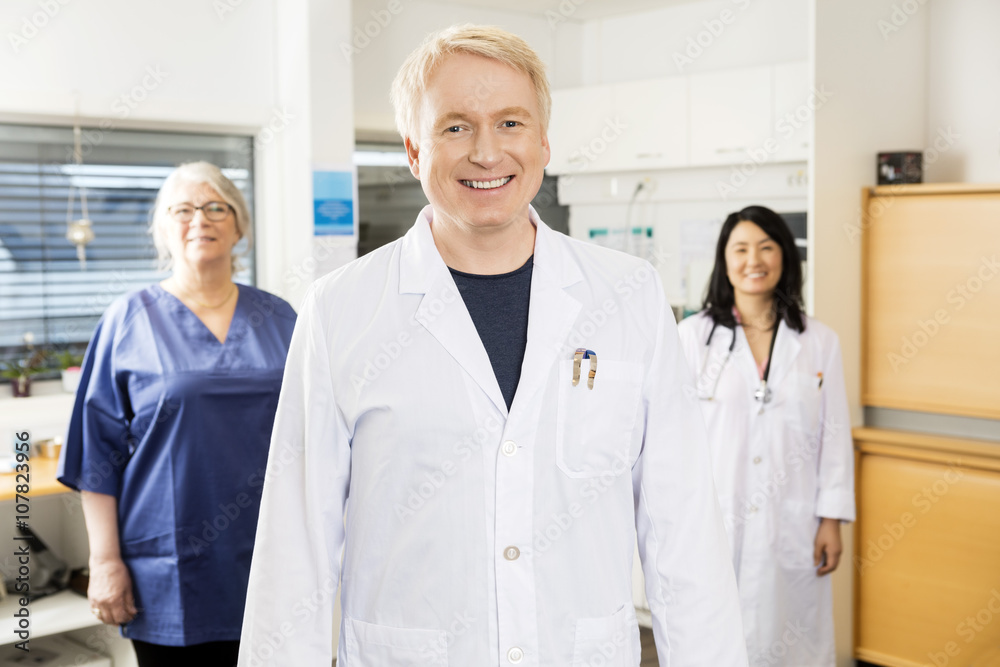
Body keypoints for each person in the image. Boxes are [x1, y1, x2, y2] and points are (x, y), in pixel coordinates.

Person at [239, 24, 746, 666]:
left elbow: (684, 529)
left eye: (510, 123)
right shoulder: (341, 311)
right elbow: (295, 546)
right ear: (414, 151)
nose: (486, 152)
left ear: (542, 142)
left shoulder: (629, 296)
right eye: (455, 126)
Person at [58, 162, 296, 667]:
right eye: (182, 210)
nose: (199, 220)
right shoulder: (128, 320)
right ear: (163, 229)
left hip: (271, 560)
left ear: (239, 224)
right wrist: (104, 562)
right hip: (169, 569)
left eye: (216, 207)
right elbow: (96, 454)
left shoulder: (279, 317)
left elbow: (315, 435)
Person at [676, 206, 855, 666]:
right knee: (713, 639)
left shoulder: (818, 341)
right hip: (713, 521)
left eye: (766, 247)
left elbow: (833, 435)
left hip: (790, 523)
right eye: (740, 249)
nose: (753, 259)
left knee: (792, 641)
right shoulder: (692, 339)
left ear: (784, 258)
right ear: (725, 260)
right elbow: (671, 441)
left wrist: (830, 519)